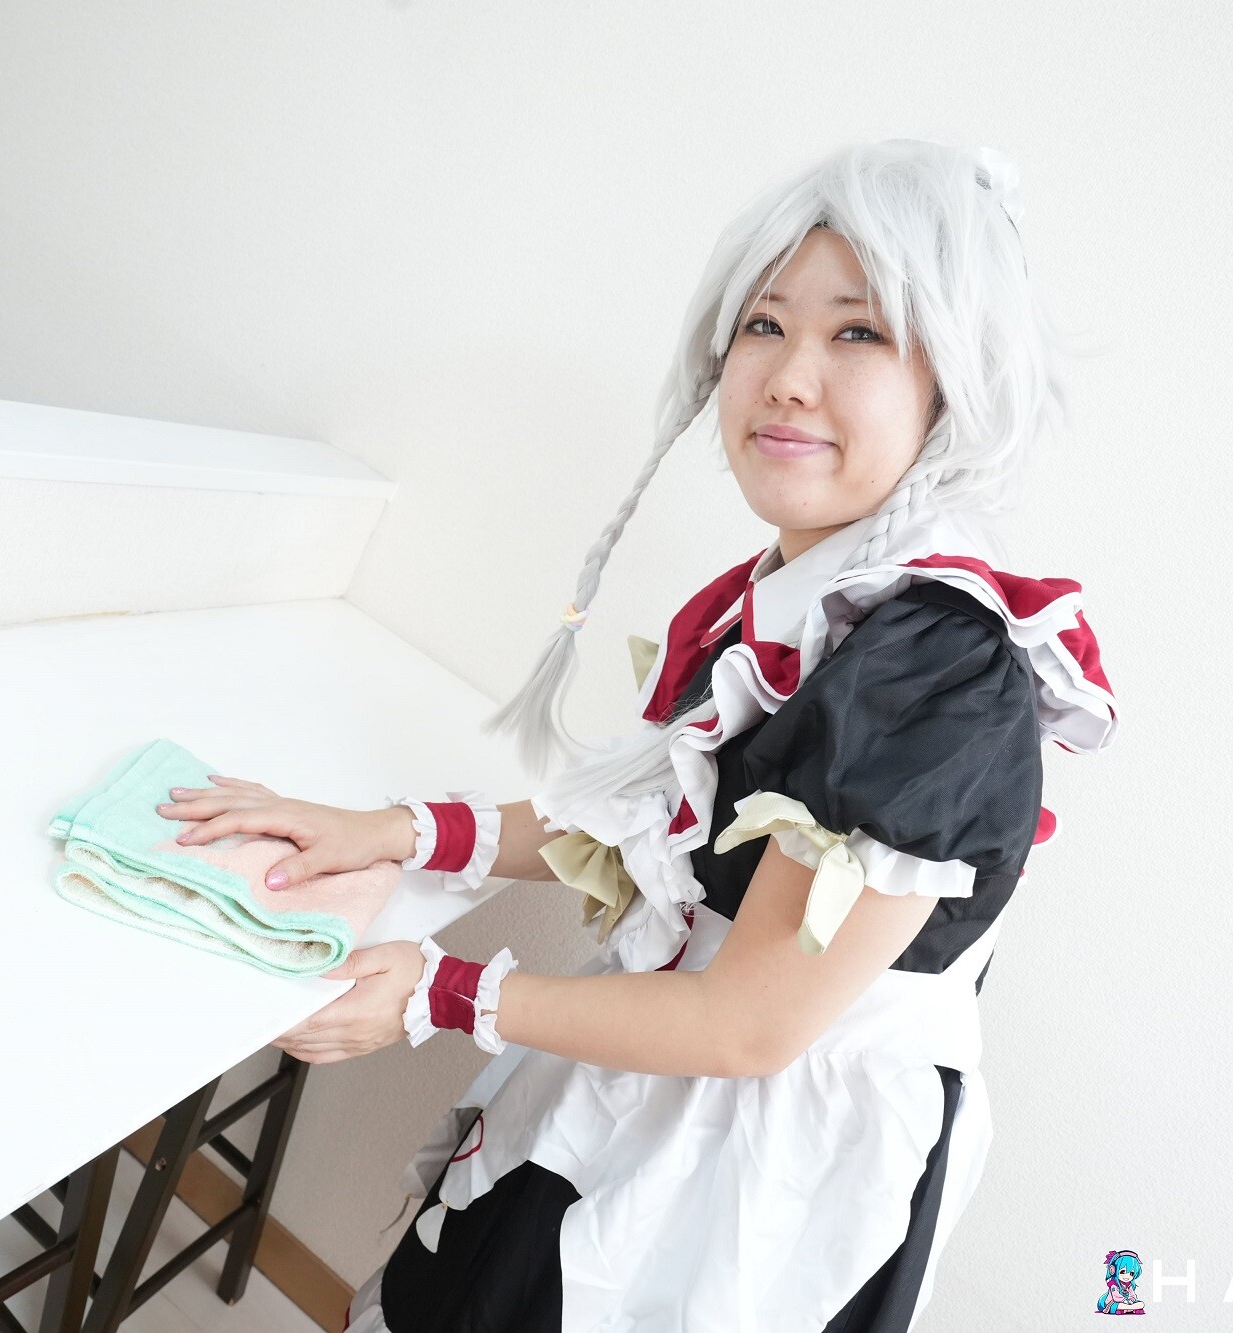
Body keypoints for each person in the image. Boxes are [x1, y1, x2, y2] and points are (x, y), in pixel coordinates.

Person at [156, 138, 1120, 1332]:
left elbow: (749, 1024)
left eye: (857, 333)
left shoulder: (934, 668)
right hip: (658, 1067)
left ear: (956, 380)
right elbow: (645, 825)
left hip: (756, 1164)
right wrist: (389, 831)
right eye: (762, 324)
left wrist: (437, 993)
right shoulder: (806, 598)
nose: (787, 377)